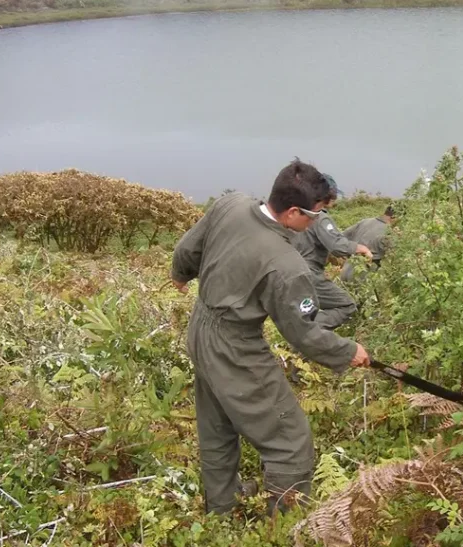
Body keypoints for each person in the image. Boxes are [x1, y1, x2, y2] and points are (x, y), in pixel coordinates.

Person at [170, 159, 371, 517]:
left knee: (217, 427)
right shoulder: (287, 265)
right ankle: (281, 524)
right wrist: (347, 351)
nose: (315, 222)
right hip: (235, 348)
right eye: (315, 214)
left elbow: (188, 249)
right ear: (293, 212)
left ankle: (221, 508)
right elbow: (303, 333)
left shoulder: (230, 204)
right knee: (291, 442)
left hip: (200, 328)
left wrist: (180, 275)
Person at [291, 174, 372, 329]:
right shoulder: (319, 217)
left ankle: (302, 332)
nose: (335, 199)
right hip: (310, 274)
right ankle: (304, 330)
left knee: (306, 309)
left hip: (293, 271)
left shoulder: (297, 214)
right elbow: (336, 245)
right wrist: (360, 248)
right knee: (347, 306)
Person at [340, 205, 397, 283]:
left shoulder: (365, 221)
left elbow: (340, 237)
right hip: (363, 275)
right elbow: (395, 257)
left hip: (346, 269)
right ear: (394, 217)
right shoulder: (388, 232)